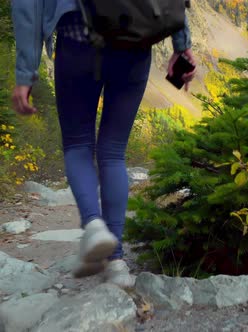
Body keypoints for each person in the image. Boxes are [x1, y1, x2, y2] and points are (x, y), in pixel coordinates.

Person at [10, 0, 196, 288]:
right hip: (134, 33)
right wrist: (181, 45)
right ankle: (117, 262)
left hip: (77, 32)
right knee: (113, 151)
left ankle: (94, 226)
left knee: (77, 143)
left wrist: (25, 72)